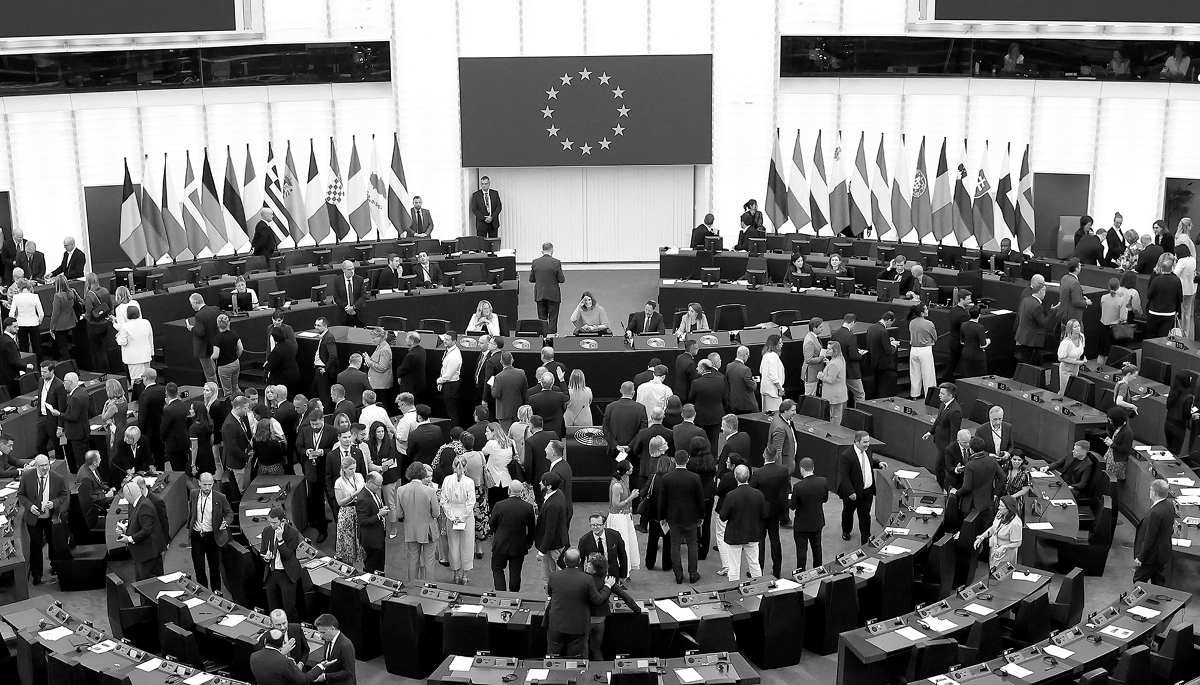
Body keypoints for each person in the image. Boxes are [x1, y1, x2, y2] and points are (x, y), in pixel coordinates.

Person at [546, 548, 616, 658]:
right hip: (577, 627)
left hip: (556, 625)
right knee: (575, 661)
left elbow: (550, 593)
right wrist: (607, 586)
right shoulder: (587, 579)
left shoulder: (554, 576)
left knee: (553, 658)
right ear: (579, 562)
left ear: (564, 560)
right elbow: (597, 599)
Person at [16, 454, 68, 585]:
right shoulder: (27, 477)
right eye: (42, 466)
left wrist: (54, 503)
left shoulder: (57, 478)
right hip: (34, 518)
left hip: (50, 517)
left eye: (47, 465)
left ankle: (55, 567)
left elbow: (63, 495)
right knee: (35, 545)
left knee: (53, 543)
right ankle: (36, 574)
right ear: (36, 466)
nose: (45, 468)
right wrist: (30, 506)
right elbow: (21, 495)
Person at [658, 449, 705, 584]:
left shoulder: (667, 478)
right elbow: (700, 499)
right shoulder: (695, 478)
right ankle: (693, 574)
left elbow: (663, 500)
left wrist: (662, 517)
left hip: (673, 518)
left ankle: (678, 575)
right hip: (691, 517)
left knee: (675, 545)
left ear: (674, 460)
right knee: (692, 545)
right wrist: (702, 516)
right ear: (688, 459)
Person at [836, 431, 886, 543]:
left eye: (868, 441)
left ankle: (865, 537)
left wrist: (878, 464)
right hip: (853, 493)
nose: (867, 444)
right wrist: (850, 492)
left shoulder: (867, 451)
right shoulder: (846, 456)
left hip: (867, 491)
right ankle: (846, 531)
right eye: (865, 442)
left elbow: (869, 461)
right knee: (848, 513)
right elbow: (844, 476)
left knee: (865, 514)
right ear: (857, 441)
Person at [187, 472, 233, 591]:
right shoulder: (193, 494)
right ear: (199, 483)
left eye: (210, 484)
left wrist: (226, 522)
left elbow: (229, 513)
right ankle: (203, 593)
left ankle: (216, 594)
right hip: (197, 535)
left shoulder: (220, 497)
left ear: (213, 483)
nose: (207, 488)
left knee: (214, 568)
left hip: (213, 536)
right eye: (204, 484)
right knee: (199, 567)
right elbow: (192, 510)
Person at [720, 464, 767, 581]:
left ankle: (734, 593)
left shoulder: (731, 496)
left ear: (735, 477)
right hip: (753, 533)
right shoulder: (758, 494)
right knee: (754, 564)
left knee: (734, 567)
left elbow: (723, 517)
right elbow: (764, 515)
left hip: (735, 535)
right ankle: (759, 590)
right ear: (749, 476)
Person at [750, 444, 790, 578]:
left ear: (764, 455)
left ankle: (758, 570)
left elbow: (752, 491)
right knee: (775, 539)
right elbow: (786, 489)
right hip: (776, 511)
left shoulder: (758, 473)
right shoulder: (783, 470)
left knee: (759, 542)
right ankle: (777, 569)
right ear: (776, 456)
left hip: (761, 513)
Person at [488, 480, 535, 591]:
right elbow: (532, 527)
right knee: (515, 571)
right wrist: (529, 542)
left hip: (501, 544)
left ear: (509, 490)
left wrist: (497, 532)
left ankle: (500, 593)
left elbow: (491, 523)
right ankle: (514, 594)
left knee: (497, 568)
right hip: (519, 545)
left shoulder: (499, 505)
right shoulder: (528, 507)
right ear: (521, 491)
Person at [116, 479, 166, 580]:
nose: (124, 497)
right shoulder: (135, 503)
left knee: (148, 586)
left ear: (129, 494)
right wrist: (125, 530)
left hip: (148, 555)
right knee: (140, 585)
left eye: (125, 494)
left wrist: (129, 539)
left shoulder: (144, 505)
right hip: (141, 554)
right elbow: (138, 524)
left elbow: (147, 530)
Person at [441, 453, 477, 584]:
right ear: (466, 467)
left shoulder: (447, 480)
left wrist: (452, 516)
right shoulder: (469, 482)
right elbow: (471, 502)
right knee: (467, 544)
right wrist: (462, 517)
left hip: (452, 515)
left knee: (453, 544)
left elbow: (443, 500)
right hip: (466, 516)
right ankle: (465, 575)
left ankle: (455, 574)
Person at [1134, 479, 1176, 584]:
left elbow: (1149, 539)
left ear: (1153, 492)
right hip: (1163, 554)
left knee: (1138, 581)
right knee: (1158, 582)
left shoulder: (1155, 513)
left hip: (1152, 557)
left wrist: (1141, 558)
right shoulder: (1169, 505)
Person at [790, 457, 828, 570]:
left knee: (801, 551)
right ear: (813, 468)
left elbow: (792, 506)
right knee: (817, 548)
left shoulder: (798, 487)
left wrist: (789, 497)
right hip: (817, 522)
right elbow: (825, 499)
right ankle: (819, 571)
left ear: (801, 469)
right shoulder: (823, 482)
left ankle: (801, 574)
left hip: (802, 525)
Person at [685, 436, 718, 563]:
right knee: (707, 522)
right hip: (709, 494)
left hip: (695, 496)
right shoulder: (710, 459)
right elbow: (713, 474)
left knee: (696, 523)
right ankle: (704, 550)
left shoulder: (691, 463)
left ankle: (697, 547)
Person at [641, 441, 673, 571]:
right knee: (668, 541)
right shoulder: (672, 478)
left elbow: (643, 493)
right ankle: (667, 564)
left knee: (652, 539)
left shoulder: (653, 477)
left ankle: (649, 563)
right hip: (668, 515)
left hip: (654, 514)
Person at [953, 437, 1001, 522]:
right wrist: (995, 493)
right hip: (987, 501)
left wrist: (956, 493)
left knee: (970, 530)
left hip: (971, 505)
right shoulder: (992, 461)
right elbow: (1003, 477)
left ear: (971, 450)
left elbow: (967, 487)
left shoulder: (970, 465)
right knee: (986, 529)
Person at [926, 382, 963, 490]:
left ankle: (941, 488)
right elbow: (938, 419)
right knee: (942, 467)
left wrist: (950, 449)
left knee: (939, 467)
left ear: (950, 396)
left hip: (946, 446)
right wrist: (930, 432)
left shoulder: (955, 411)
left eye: (942, 393)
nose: (939, 395)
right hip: (940, 441)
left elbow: (954, 432)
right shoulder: (943, 403)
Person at [537, 470, 570, 584]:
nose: (540, 483)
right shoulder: (558, 493)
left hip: (553, 546)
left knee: (550, 577)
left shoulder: (552, 505)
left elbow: (550, 530)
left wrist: (541, 552)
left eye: (542, 482)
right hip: (558, 542)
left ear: (549, 486)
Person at [578, 511, 630, 582]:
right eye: (593, 525)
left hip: (612, 576)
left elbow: (622, 556)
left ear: (604, 525)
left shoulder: (615, 535)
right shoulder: (584, 540)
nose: (595, 527)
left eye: (598, 525)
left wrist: (623, 575)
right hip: (593, 578)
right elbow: (581, 562)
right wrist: (582, 578)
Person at [974, 495, 1022, 570]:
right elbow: (994, 528)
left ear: (1009, 508)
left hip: (1006, 554)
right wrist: (982, 537)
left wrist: (1003, 547)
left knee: (1001, 576)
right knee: (992, 571)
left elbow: (1017, 543)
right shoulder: (1000, 514)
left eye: (1001, 506)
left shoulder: (1015, 524)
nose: (999, 508)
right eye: (999, 505)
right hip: (995, 550)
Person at [528, 242, 566, 335]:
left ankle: (543, 337)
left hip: (540, 294)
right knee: (553, 318)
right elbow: (561, 279)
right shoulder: (556, 262)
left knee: (542, 318)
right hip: (553, 295)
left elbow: (531, 279)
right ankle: (552, 337)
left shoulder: (535, 262)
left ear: (542, 251)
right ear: (552, 251)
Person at [333, 454, 364, 565]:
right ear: (344, 469)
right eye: (351, 469)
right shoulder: (339, 482)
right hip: (347, 513)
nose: (353, 471)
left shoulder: (359, 476)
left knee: (360, 540)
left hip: (359, 510)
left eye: (355, 468)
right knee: (348, 543)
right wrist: (353, 495)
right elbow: (340, 502)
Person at [688, 360, 727, 446]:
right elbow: (725, 398)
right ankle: (713, 459)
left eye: (698, 367)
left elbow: (691, 399)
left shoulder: (696, 383)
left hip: (701, 418)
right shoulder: (721, 380)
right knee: (714, 442)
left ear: (702, 368)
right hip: (716, 417)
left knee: (702, 442)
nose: (696, 368)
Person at [356, 472, 388, 573]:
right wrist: (379, 515)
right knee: (371, 566)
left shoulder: (372, 492)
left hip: (378, 537)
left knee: (380, 564)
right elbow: (363, 521)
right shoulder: (363, 499)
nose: (380, 487)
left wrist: (382, 509)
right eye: (378, 485)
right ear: (369, 482)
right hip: (371, 540)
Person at [311, 614, 356, 685]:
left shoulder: (345, 645)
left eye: (323, 632)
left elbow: (349, 672)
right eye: (320, 632)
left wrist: (325, 677)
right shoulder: (328, 640)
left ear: (332, 629)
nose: (321, 636)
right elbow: (326, 659)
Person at [1147, 252, 1183, 339]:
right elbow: (1180, 298)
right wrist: (1177, 311)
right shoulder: (1176, 280)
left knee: (1151, 337)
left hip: (1154, 310)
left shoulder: (1155, 278)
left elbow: (1149, 295)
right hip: (1169, 312)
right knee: (1163, 338)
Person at [188, 293, 222, 386]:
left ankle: (213, 394)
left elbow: (200, 332)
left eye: (192, 304)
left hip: (204, 349)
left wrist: (191, 328)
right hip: (215, 346)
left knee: (210, 375)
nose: (192, 306)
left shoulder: (199, 315)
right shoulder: (215, 309)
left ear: (195, 302)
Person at [83, 272, 112, 372]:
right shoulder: (105, 290)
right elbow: (110, 307)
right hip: (105, 325)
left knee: (97, 352)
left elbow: (88, 314)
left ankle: (102, 373)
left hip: (94, 327)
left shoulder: (89, 296)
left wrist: (84, 316)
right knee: (102, 349)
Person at [62, 372, 91, 472]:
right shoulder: (83, 392)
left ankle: (83, 480)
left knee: (80, 460)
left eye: (64, 381)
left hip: (77, 433)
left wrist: (59, 414)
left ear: (70, 382)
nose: (63, 383)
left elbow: (73, 417)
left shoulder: (75, 397)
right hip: (84, 430)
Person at [1016, 277, 1049, 365]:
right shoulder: (1037, 306)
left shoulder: (1026, 300)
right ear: (1041, 291)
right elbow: (1043, 322)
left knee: (1027, 359)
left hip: (1024, 336)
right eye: (1045, 291)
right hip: (1032, 339)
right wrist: (1051, 313)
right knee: (1031, 362)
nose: (1045, 294)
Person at [907, 304, 937, 399]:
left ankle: (914, 395)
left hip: (913, 350)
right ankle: (930, 396)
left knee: (914, 373)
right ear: (922, 313)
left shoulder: (911, 322)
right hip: (925, 350)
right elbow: (935, 337)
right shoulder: (929, 323)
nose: (928, 311)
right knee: (928, 374)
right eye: (926, 309)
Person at [482, 421, 514, 510]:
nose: (485, 434)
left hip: (494, 481)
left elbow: (483, 452)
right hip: (508, 480)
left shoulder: (491, 444)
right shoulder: (512, 442)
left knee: (494, 507)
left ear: (494, 432)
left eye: (487, 431)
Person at [865, 312, 898, 398]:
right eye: (892, 322)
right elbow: (888, 350)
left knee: (876, 384)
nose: (891, 325)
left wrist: (888, 341)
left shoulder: (871, 328)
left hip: (873, 362)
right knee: (883, 387)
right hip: (884, 364)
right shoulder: (883, 332)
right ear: (888, 320)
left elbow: (874, 344)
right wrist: (894, 346)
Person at [11, 279, 43, 364]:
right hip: (34, 323)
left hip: (21, 324)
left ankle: (25, 366)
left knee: (23, 347)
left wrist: (16, 321)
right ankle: (40, 366)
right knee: (37, 347)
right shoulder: (35, 296)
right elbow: (41, 313)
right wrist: (39, 321)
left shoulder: (16, 297)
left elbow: (11, 314)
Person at [48, 274, 79, 360]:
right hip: (70, 322)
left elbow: (55, 314)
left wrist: (51, 327)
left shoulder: (58, 296)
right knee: (58, 343)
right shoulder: (71, 293)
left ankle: (67, 364)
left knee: (63, 347)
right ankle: (57, 358)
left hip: (60, 325)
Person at [817, 339, 848, 425]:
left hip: (833, 395)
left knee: (833, 416)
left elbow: (831, 379)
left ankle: (834, 432)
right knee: (838, 415)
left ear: (835, 351)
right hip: (839, 393)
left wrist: (821, 376)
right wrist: (828, 365)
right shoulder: (841, 359)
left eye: (829, 349)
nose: (827, 350)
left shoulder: (834, 363)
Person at [1165, 372, 1195, 456]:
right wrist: (1193, 415)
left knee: (1168, 449)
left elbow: (1168, 406)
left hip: (1167, 424)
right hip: (1178, 428)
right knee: (1175, 453)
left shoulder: (1173, 391)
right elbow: (1186, 414)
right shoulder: (1188, 397)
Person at [312, 317, 339, 408]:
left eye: (319, 325)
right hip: (318, 369)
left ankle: (326, 415)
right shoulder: (323, 337)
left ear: (325, 326)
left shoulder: (329, 338)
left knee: (324, 396)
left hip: (323, 371)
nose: (316, 327)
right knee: (315, 392)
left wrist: (326, 369)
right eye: (315, 325)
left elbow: (333, 356)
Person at [723, 346, 758, 414]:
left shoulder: (729, 366)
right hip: (747, 405)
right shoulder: (745, 369)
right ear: (745, 355)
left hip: (733, 403)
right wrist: (754, 382)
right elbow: (752, 387)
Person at [1056, 319, 1086, 394]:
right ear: (1070, 329)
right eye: (1075, 327)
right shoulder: (1066, 343)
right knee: (1065, 391)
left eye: (1078, 326)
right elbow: (1060, 358)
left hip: (1076, 368)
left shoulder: (1081, 337)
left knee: (1073, 390)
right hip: (1066, 369)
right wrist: (1076, 362)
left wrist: (1083, 358)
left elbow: (1082, 351)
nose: (1078, 328)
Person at [768, 399, 798, 475]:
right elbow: (777, 451)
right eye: (793, 410)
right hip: (784, 469)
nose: (795, 413)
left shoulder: (780, 418)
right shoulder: (779, 428)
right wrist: (779, 472)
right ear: (785, 411)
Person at [332, 260, 366, 327]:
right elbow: (336, 297)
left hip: (357, 312)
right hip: (344, 313)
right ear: (343, 270)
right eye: (349, 269)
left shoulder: (360, 280)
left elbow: (363, 296)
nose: (352, 271)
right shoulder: (337, 281)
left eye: (353, 269)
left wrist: (353, 307)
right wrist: (347, 307)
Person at [1176, 243, 1197, 340]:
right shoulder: (1193, 259)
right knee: (1188, 313)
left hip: (1182, 289)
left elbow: (1175, 273)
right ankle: (1187, 333)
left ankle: (1181, 332)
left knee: (1181, 312)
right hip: (1192, 288)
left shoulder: (1181, 261)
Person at [760, 333, 785, 413]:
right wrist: (779, 389)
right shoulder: (774, 356)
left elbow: (761, 370)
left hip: (765, 390)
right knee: (775, 416)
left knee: (766, 416)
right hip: (773, 392)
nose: (782, 344)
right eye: (780, 343)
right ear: (775, 344)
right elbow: (773, 375)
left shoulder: (765, 355)